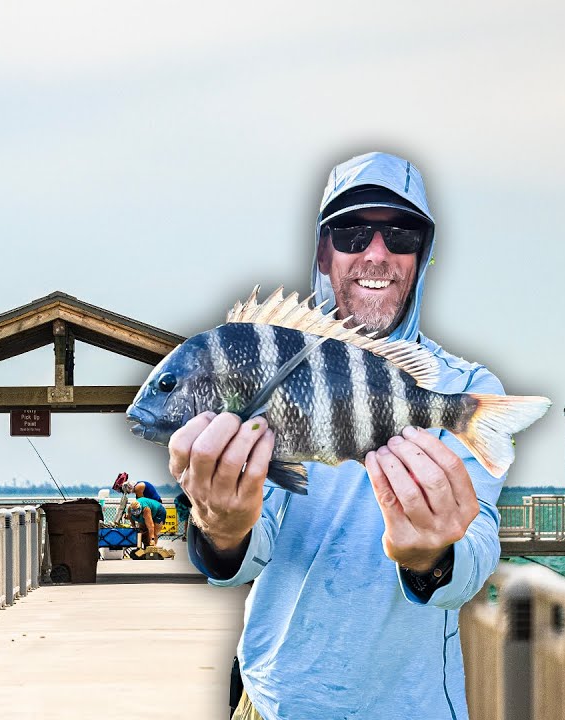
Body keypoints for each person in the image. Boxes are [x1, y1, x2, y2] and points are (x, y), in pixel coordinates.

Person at [170, 151, 508, 719]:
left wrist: (433, 558)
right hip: (275, 701)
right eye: (352, 232)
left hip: (413, 706)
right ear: (325, 254)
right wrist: (220, 525)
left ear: (420, 259)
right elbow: (245, 558)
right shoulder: (268, 363)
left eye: (400, 235)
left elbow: (478, 551)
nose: (377, 252)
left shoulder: (463, 389)